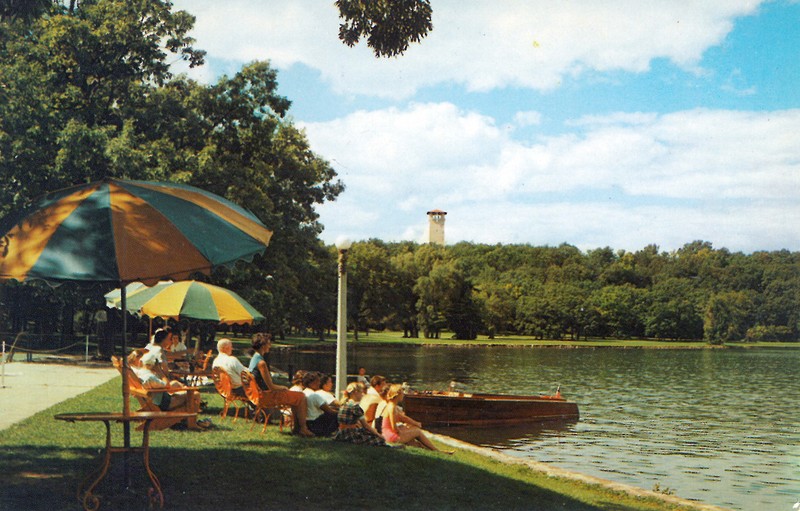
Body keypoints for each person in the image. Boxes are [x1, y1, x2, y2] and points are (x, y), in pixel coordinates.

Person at [248, 333, 314, 437]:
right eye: (269, 343)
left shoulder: (254, 359)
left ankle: (297, 429)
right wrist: (283, 387)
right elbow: (271, 387)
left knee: (295, 398)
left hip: (257, 395)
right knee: (301, 397)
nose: (270, 346)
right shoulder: (261, 363)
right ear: (263, 345)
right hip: (265, 396)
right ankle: (303, 428)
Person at [138, 351, 207, 429]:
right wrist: (159, 371)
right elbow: (167, 384)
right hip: (163, 403)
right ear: (154, 364)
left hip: (155, 400)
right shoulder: (150, 377)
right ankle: (192, 423)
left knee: (175, 384)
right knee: (195, 394)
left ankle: (185, 419)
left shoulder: (141, 373)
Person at [381, 384, 452, 453]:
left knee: (411, 434)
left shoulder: (391, 405)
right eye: (402, 393)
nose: (403, 395)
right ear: (398, 395)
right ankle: (436, 450)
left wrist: (405, 429)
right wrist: (401, 431)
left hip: (387, 434)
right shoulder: (392, 407)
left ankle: (425, 448)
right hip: (391, 436)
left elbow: (401, 420)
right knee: (417, 432)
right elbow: (394, 428)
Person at [333, 382, 386, 446]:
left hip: (341, 433)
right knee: (379, 440)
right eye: (361, 392)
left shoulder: (344, 404)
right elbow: (366, 425)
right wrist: (378, 434)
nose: (362, 394)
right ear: (355, 392)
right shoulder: (355, 407)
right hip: (350, 434)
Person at [302, 372, 339, 436]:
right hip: (315, 424)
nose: (319, 383)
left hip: (306, 422)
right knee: (337, 415)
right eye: (317, 381)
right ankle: (329, 432)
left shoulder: (303, 393)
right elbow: (329, 411)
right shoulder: (314, 395)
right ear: (311, 383)